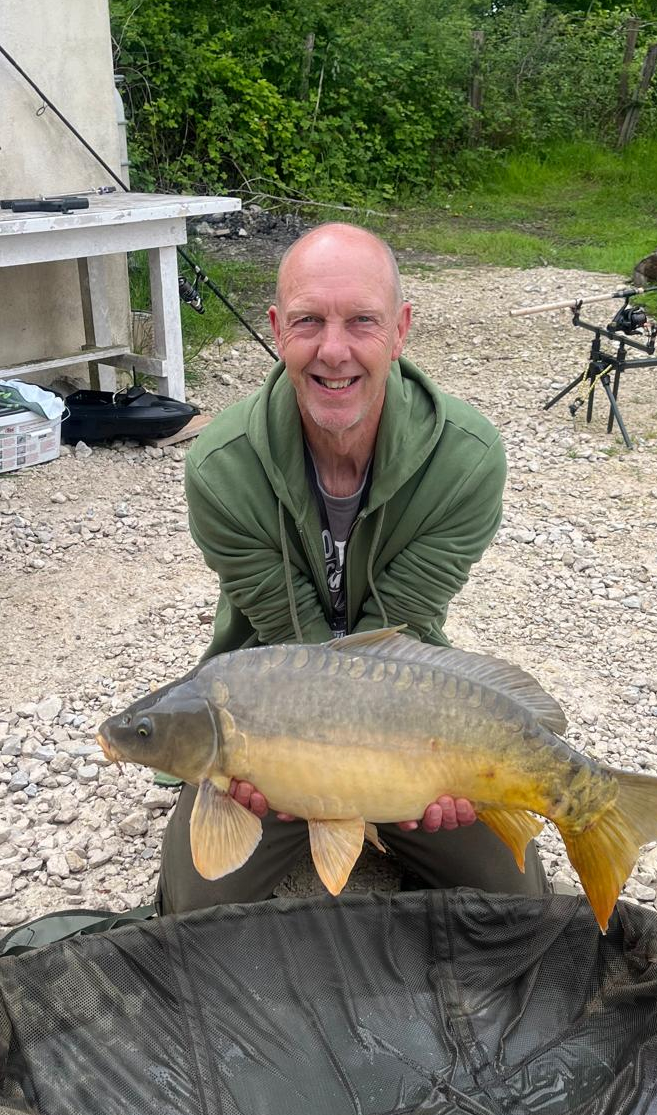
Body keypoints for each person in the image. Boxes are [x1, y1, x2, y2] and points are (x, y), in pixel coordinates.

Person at [156, 221, 549, 912]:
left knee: (518, 902)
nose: (333, 351)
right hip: (268, 712)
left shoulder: (466, 458)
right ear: (277, 329)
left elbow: (403, 623)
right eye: (308, 321)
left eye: (361, 321)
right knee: (192, 912)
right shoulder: (220, 466)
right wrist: (295, 771)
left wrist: (416, 769)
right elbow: (294, 640)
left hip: (406, 705)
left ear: (400, 331)